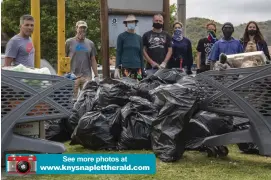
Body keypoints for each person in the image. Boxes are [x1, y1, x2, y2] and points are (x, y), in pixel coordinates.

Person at [65, 20, 99, 99]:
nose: (82, 30)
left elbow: (93, 60)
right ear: (76, 28)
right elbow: (64, 58)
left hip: (86, 77)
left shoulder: (90, 43)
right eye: (80, 28)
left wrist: (96, 76)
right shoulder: (69, 42)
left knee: (87, 99)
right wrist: (65, 73)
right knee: (72, 100)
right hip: (72, 76)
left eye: (84, 28)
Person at [114, 15, 144, 80]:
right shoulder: (121, 37)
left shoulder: (139, 38)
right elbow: (118, 53)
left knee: (138, 88)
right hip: (125, 67)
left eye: (132, 22)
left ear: (135, 23)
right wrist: (116, 68)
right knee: (126, 88)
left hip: (138, 68)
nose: (131, 23)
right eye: (129, 22)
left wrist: (143, 71)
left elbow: (141, 55)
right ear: (126, 24)